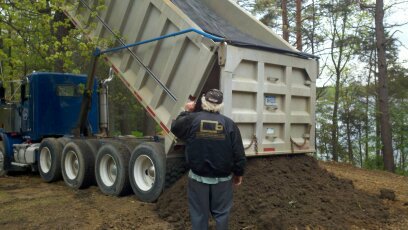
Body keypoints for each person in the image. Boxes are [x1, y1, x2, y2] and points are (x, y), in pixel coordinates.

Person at [171, 89, 246, 230]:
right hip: (223, 180)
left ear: (203, 101)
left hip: (197, 178)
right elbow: (239, 153)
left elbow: (175, 127)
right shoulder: (229, 124)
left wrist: (187, 111)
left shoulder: (192, 119)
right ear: (221, 104)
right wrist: (238, 173)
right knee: (222, 214)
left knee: (199, 214)